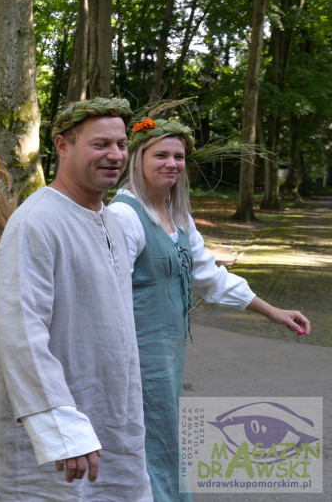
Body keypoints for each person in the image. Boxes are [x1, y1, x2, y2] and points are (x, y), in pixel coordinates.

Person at [107, 117, 311, 501]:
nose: (172, 163)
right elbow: (106, 296)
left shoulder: (176, 214)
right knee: (143, 440)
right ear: (137, 159)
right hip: (135, 355)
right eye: (161, 155)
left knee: (163, 437)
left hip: (168, 355)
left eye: (179, 156)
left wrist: (273, 311)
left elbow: (210, 279)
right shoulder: (123, 216)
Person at [0, 97, 151, 500]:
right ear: (62, 146)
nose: (115, 155)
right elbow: (19, 331)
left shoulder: (109, 217)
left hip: (113, 421)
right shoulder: (37, 222)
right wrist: (59, 424)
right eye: (100, 144)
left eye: (121, 145)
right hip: (55, 445)